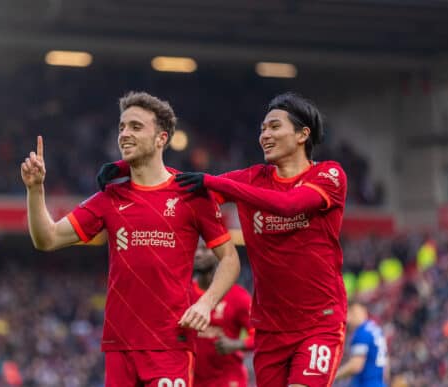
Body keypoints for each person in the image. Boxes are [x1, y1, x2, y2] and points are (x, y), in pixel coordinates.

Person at [97, 92, 348, 387]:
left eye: (274, 127)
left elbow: (289, 204)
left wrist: (217, 183)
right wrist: (130, 167)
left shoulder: (328, 174)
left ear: (303, 134)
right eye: (262, 129)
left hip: (320, 322)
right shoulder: (254, 177)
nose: (265, 135)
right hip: (269, 328)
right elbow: (183, 191)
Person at [21, 91, 240, 387]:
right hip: (119, 345)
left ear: (162, 138)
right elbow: (46, 239)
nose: (124, 134)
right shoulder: (110, 198)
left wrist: (205, 304)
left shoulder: (191, 194)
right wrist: (35, 190)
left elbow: (230, 259)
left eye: (136, 127)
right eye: (122, 127)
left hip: (169, 344)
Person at [192, 243, 253, 387]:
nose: (198, 254)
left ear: (218, 254)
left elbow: (259, 335)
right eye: (196, 250)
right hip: (194, 380)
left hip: (228, 380)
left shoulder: (238, 296)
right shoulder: (185, 294)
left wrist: (236, 344)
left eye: (204, 249)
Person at [335, 302, 389, 387]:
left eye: (353, 313)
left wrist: (335, 375)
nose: (349, 318)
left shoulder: (362, 332)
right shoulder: (377, 329)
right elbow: (386, 365)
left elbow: (356, 365)